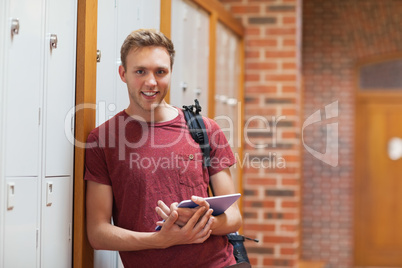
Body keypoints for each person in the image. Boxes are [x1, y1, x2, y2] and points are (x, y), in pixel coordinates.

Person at [84, 28, 242, 268]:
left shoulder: (205, 129)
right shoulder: (103, 139)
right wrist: (161, 240)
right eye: (140, 71)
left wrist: (197, 224)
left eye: (160, 72)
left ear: (170, 73)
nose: (151, 82)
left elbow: (233, 217)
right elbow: (97, 232)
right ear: (123, 73)